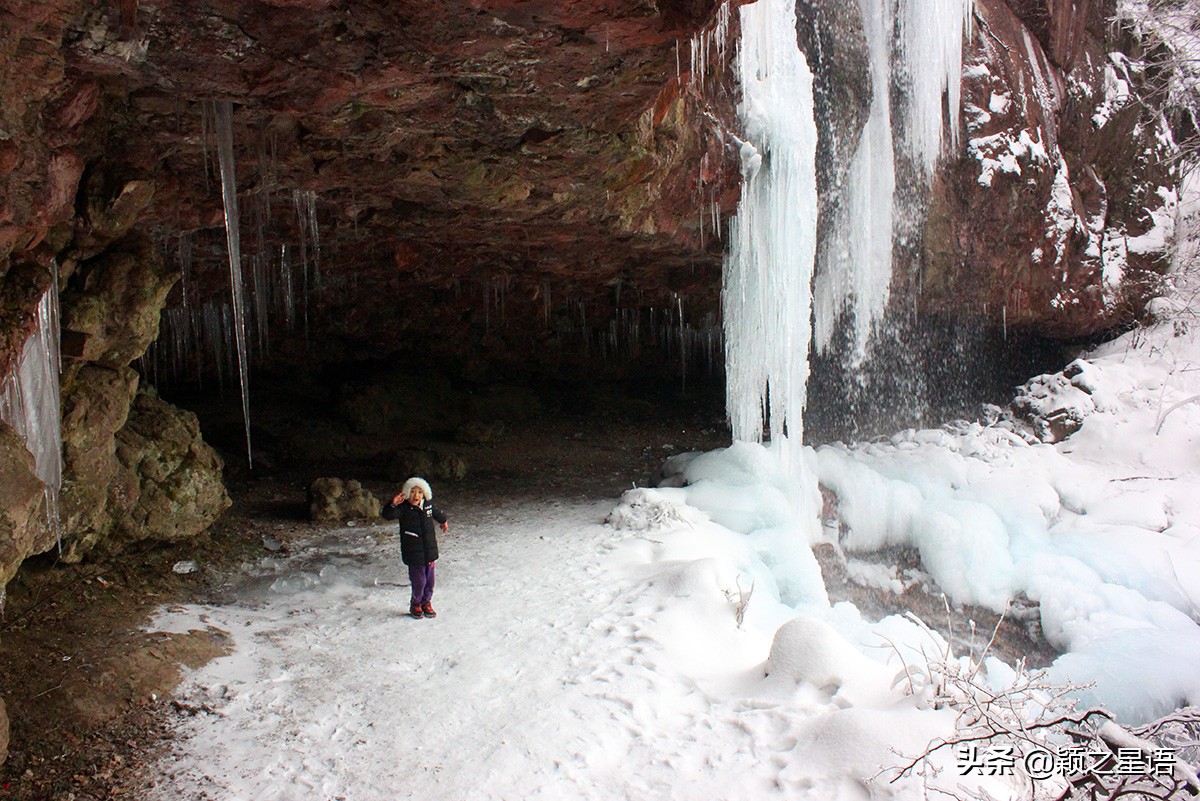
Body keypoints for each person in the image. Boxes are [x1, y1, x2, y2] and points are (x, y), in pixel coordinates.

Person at [382, 476, 449, 619]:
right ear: (406, 493)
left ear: (424, 493)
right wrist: (392, 504)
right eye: (412, 492)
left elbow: (438, 513)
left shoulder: (428, 506)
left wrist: (443, 521)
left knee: (430, 581)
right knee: (419, 581)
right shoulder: (404, 508)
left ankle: (426, 602)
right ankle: (416, 603)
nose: (416, 496)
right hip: (414, 553)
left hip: (429, 551)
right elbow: (388, 515)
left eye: (419, 492)